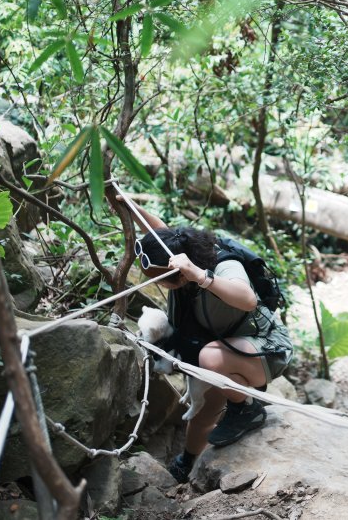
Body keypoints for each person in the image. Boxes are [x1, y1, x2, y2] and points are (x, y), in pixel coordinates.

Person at [119, 197, 293, 484]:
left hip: (264, 349)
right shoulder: (179, 247)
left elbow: (248, 300)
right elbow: (160, 232)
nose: (159, 285)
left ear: (178, 274)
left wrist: (202, 277)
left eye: (161, 281)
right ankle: (186, 463)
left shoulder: (222, 265)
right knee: (203, 411)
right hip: (227, 349)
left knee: (209, 358)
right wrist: (126, 205)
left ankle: (247, 409)